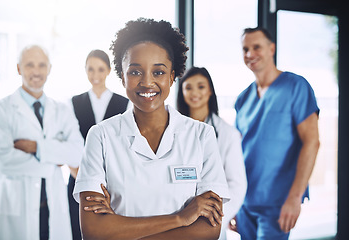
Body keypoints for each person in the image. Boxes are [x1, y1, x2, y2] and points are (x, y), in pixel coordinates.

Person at [73, 18, 230, 239]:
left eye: (158, 72)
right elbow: (94, 231)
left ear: (173, 76)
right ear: (122, 76)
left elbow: (209, 230)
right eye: (135, 72)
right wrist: (181, 218)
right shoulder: (101, 136)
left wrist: (119, 229)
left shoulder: (201, 136)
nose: (147, 82)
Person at [0, 45, 84, 240]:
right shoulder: (1, 110)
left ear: (49, 69)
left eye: (42, 65)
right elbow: (3, 161)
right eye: (30, 65)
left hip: (52, 207)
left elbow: (77, 153)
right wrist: (54, 158)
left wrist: (35, 147)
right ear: (18, 68)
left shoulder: (62, 110)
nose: (36, 71)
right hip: (15, 209)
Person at [235, 27, 320, 239]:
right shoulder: (243, 99)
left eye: (256, 47)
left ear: (271, 48)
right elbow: (236, 152)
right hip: (244, 202)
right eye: (245, 49)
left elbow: (312, 142)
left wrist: (295, 197)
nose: (250, 54)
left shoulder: (296, 86)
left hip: (277, 202)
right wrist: (233, 202)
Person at [177, 66, 247, 240]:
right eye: (188, 87)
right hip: (175, 218)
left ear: (210, 91)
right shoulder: (173, 130)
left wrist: (215, 218)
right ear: (182, 93)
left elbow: (237, 184)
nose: (195, 93)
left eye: (201, 86)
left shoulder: (227, 134)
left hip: (209, 222)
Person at [68, 49, 129, 240]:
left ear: (109, 71)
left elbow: (124, 147)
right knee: (79, 232)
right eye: (90, 70)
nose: (95, 75)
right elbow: (69, 143)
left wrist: (108, 185)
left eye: (100, 69)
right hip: (77, 179)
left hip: (112, 183)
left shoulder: (124, 104)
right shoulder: (74, 102)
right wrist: (81, 178)